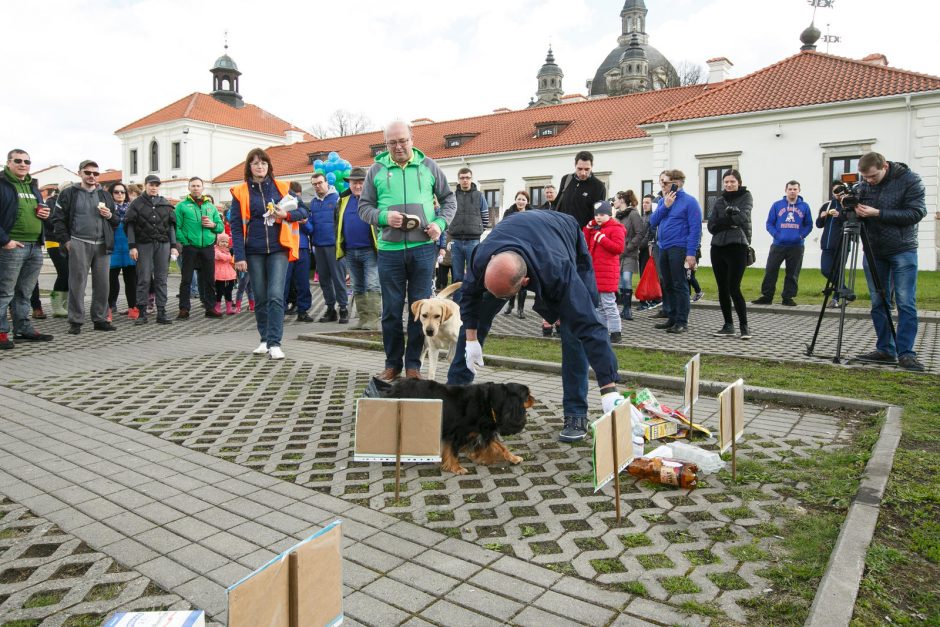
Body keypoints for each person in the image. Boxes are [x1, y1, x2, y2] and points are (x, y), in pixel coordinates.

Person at [447, 210, 622, 442]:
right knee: (479, 313)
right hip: (519, 236)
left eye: (505, 296)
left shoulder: (559, 271)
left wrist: (608, 389)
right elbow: (469, 299)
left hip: (562, 235)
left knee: (575, 331)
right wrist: (471, 339)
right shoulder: (482, 258)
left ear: (525, 283)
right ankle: (454, 399)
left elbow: (590, 327)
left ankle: (576, 413)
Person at [358, 120, 456, 381]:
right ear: (386, 143)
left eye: (403, 141)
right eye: (392, 142)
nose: (398, 146)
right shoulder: (376, 170)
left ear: (412, 139)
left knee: (420, 312)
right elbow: (363, 207)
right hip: (389, 251)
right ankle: (392, 364)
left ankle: (413, 366)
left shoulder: (429, 166)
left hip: (423, 249)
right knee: (390, 310)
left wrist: (439, 223)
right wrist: (382, 217)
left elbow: (449, 199)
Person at [230, 148, 307, 360]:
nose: (260, 166)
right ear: (249, 167)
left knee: (275, 295)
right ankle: (264, 339)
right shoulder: (241, 191)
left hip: (278, 249)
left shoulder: (282, 187)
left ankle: (275, 343)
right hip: (253, 251)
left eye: (263, 163)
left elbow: (303, 211)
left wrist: (286, 214)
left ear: (268, 166)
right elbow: (236, 226)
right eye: (255, 163)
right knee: (261, 297)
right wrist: (240, 256)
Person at [853, 152, 927, 372]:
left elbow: (916, 212)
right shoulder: (863, 185)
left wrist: (878, 213)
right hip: (874, 250)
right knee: (878, 301)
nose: (869, 181)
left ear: (884, 166)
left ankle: (906, 353)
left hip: (902, 249)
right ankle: (885, 348)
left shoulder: (910, 180)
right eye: (865, 178)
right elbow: (853, 212)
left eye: (873, 176)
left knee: (905, 302)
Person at [52, 159, 119, 334]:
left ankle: (100, 319)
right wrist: (66, 241)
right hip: (78, 241)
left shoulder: (105, 195)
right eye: (88, 173)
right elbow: (57, 220)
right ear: (80, 173)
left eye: (95, 173)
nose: (92, 176)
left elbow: (116, 221)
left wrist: (109, 214)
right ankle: (76, 321)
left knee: (103, 284)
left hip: (102, 244)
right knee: (77, 283)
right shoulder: (68, 193)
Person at [0, 149, 54, 348]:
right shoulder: (3, 184)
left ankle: (22, 328)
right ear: (9, 163)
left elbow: (40, 211)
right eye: (18, 161)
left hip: (34, 246)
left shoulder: (32, 187)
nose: (23, 164)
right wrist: (5, 240)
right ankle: (1, 332)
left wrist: (44, 214)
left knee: (25, 292)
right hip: (11, 246)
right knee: (4, 291)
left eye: (27, 161)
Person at [648, 169, 702, 334]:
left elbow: (695, 229)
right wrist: (665, 206)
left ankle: (681, 321)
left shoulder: (690, 202)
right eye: (661, 183)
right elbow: (653, 221)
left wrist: (691, 253)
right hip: (663, 246)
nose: (662, 186)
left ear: (676, 183)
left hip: (679, 248)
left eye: (665, 183)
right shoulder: (664, 200)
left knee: (680, 285)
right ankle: (671, 317)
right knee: (668, 284)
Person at [125, 175, 177, 325]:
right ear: (145, 185)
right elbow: (130, 226)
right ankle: (142, 313)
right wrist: (132, 246)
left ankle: (162, 312)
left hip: (163, 244)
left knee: (161, 279)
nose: (154, 187)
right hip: (143, 244)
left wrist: (173, 246)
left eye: (156, 185)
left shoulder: (165, 204)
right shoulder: (136, 204)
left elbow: (171, 227)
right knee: (144, 278)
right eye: (151, 184)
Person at [707, 169, 753, 339]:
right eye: (726, 182)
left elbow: (742, 218)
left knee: (734, 287)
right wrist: (728, 220)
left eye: (732, 181)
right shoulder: (719, 200)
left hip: (737, 247)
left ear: (738, 182)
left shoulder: (746, 196)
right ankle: (728, 325)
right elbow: (712, 226)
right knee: (722, 289)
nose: (729, 184)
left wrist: (724, 221)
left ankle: (744, 326)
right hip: (718, 247)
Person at [753, 180, 813, 306]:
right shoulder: (777, 205)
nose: (792, 191)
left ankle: (788, 297)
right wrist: (776, 234)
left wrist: (801, 235)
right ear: (785, 190)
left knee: (792, 273)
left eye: (795, 189)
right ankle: (767, 296)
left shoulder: (805, 206)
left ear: (799, 190)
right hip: (778, 245)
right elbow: (769, 223)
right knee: (771, 270)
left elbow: (809, 224)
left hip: (797, 246)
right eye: (790, 189)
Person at [336, 167, 380, 330]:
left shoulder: (374, 199)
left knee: (372, 284)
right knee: (357, 286)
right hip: (350, 250)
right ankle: (362, 319)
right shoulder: (343, 200)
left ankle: (373, 321)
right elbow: (337, 223)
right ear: (350, 183)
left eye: (361, 182)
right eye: (354, 182)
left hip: (370, 250)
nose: (357, 186)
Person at [175, 177, 224, 319]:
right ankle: (184, 309)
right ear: (189, 188)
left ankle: (210, 308)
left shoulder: (210, 207)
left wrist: (213, 225)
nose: (196, 188)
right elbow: (176, 227)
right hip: (190, 247)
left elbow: (220, 227)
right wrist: (185, 242)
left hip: (207, 247)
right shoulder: (182, 206)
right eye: (193, 186)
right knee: (186, 279)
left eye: (198, 186)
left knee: (209, 279)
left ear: (203, 188)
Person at [307, 172, 347, 323]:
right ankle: (331, 309)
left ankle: (343, 308)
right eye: (314, 184)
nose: (317, 186)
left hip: (335, 246)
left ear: (326, 182)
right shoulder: (314, 203)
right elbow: (311, 226)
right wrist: (305, 223)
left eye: (320, 183)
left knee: (338, 279)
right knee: (324, 280)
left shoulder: (338, 199)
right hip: (319, 245)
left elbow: (344, 222)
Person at [585, 200, 626, 342]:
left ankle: (616, 332)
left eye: (602, 214)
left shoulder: (616, 228)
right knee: (599, 306)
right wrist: (588, 229)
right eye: (596, 214)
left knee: (609, 304)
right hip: (596, 272)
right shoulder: (597, 229)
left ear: (609, 215)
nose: (598, 217)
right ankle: (601, 331)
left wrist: (602, 239)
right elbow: (585, 243)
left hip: (607, 273)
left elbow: (619, 248)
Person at [448, 167, 489, 294]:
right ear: (458, 180)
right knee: (457, 277)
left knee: (473, 275)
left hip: (473, 241)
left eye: (467, 177)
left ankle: (471, 305)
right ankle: (457, 306)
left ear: (471, 179)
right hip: (456, 241)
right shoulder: (453, 196)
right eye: (462, 178)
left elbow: (485, 215)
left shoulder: (479, 195)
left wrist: (480, 229)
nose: (465, 180)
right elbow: (448, 214)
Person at [106, 182, 138, 321]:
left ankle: (133, 307)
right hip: (112, 247)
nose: (120, 194)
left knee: (131, 280)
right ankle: (108, 309)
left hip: (128, 247)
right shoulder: (106, 209)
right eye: (116, 192)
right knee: (111, 281)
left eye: (122, 192)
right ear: (111, 194)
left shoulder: (132, 209)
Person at [283, 181, 313, 322]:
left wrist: (305, 223)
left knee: (303, 283)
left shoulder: (302, 209)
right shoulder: (282, 206)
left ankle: (303, 311)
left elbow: (310, 230)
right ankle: (280, 311)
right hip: (286, 248)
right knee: (284, 282)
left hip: (301, 248)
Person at [40, 183, 69, 318]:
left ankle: (65, 304)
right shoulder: (51, 202)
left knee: (69, 274)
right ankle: (56, 304)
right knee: (63, 273)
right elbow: (50, 222)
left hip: (68, 242)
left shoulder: (71, 202)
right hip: (54, 241)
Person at [556, 150, 606, 228]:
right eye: (579, 169)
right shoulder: (566, 179)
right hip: (563, 230)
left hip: (583, 234)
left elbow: (599, 215)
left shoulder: (599, 186)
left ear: (592, 166)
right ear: (575, 165)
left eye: (587, 169)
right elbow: (557, 204)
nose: (583, 173)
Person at [614, 190, 644, 320]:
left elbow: (640, 233)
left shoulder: (633, 214)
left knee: (626, 279)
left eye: (615, 199)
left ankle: (628, 309)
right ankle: (623, 309)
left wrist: (628, 247)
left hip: (629, 253)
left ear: (621, 200)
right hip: (618, 254)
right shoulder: (618, 216)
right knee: (620, 281)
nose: (613, 202)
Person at [816, 181, 846, 308]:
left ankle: (835, 299)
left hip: (842, 244)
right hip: (827, 244)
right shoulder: (827, 205)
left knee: (838, 272)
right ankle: (845, 291)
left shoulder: (847, 204)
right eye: (835, 191)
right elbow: (818, 224)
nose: (837, 194)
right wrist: (822, 217)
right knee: (826, 270)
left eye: (840, 191)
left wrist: (840, 216)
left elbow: (851, 221)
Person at [501, 191, 530, 318]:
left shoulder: (532, 214)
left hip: (527, 248)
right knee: (512, 276)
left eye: (523, 199)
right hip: (512, 247)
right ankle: (511, 305)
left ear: (527, 202)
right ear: (515, 199)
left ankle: (521, 309)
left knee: (523, 278)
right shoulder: (508, 213)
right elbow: (503, 228)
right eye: (519, 199)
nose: (521, 201)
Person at [214, 232, 237, 314]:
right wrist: (229, 257)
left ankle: (229, 308)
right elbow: (220, 257)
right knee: (219, 291)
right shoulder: (216, 250)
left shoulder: (228, 250)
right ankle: (217, 307)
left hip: (229, 274)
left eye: (226, 242)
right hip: (219, 274)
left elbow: (231, 261)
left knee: (229, 291)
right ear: (218, 242)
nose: (224, 243)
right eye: (222, 241)